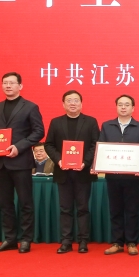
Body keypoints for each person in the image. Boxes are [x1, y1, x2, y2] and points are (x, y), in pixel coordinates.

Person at [0, 72, 45, 253]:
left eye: (12, 83)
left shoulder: (30, 107)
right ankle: (10, 239)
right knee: (5, 203)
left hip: (21, 162)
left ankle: (26, 239)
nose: (8, 86)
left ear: (20, 86)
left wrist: (19, 147)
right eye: (5, 83)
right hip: (0, 163)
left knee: (25, 202)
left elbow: (39, 132)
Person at [43, 90, 100, 254]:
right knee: (65, 209)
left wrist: (85, 162)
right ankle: (66, 241)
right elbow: (48, 145)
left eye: (76, 100)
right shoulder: (56, 122)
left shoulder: (91, 122)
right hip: (63, 172)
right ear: (63, 104)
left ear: (81, 104)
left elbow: (96, 144)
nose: (72, 103)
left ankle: (83, 241)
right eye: (69, 100)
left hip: (83, 172)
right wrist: (59, 160)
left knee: (83, 208)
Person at [98, 95, 139, 256]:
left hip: (132, 176)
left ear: (133, 108)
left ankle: (132, 243)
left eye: (127, 105)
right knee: (115, 210)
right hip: (112, 176)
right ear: (116, 107)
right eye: (120, 104)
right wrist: (99, 165)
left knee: (132, 210)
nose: (123, 107)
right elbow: (101, 148)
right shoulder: (107, 126)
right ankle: (117, 242)